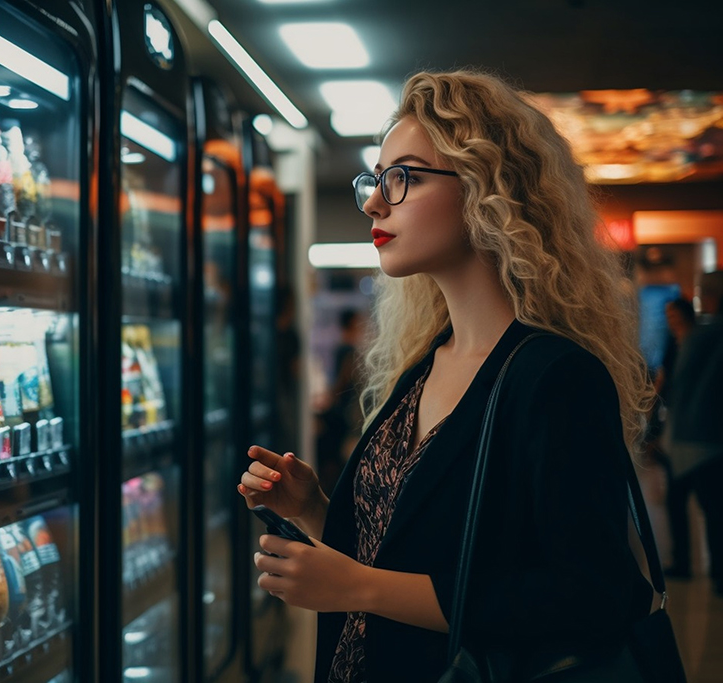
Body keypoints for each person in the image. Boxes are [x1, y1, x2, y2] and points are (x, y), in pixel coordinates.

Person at [237, 70, 658, 682]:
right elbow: (415, 555)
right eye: (374, 181)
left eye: (401, 177)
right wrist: (313, 510)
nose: (375, 202)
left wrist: (362, 588)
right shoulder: (425, 363)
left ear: (487, 189)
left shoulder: (555, 377)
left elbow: (593, 596)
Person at [663, 271, 723, 595]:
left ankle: (691, 565)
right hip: (713, 437)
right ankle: (718, 574)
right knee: (714, 510)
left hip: (692, 437)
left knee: (702, 507)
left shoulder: (699, 337)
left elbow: (681, 389)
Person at [649, 296, 698, 579]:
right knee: (675, 499)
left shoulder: (697, 344)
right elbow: (663, 381)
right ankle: (682, 561)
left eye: (674, 316)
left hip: (691, 430)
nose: (671, 321)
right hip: (675, 429)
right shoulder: (673, 344)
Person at [316, 308, 366, 496]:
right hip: (346, 411)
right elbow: (343, 380)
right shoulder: (348, 350)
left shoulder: (343, 348)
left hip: (343, 408)